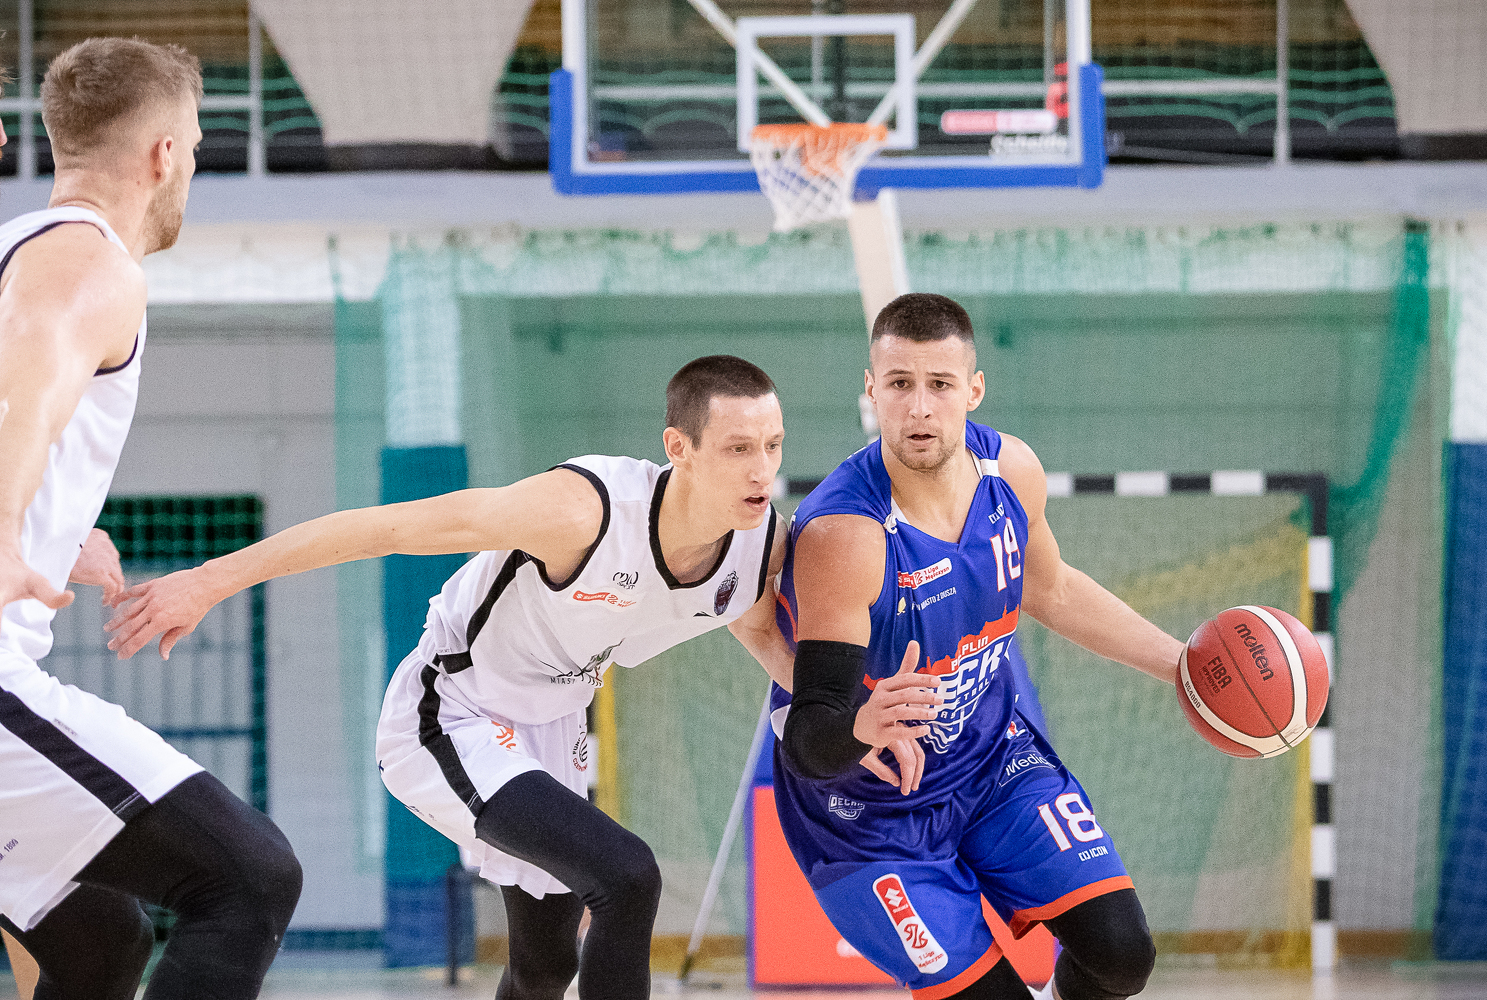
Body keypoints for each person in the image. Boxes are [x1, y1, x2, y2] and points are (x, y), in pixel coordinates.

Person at [110, 355, 916, 1000]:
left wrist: (846, 721)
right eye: (739, 448)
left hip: (554, 728)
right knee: (628, 876)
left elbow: (757, 628)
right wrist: (209, 579)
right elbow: (388, 528)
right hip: (452, 713)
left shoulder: (759, 544)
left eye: (773, 446)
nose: (762, 469)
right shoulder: (582, 511)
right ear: (679, 448)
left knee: (544, 963)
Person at [0, 37, 303, 1000]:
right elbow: (27, 387)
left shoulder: (18, 249)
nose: (193, 168)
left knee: (99, 941)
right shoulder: (89, 261)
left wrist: (53, 532)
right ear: (165, 154)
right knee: (250, 878)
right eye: (199, 148)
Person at [773, 293, 1181, 1000]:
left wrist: (1180, 665)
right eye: (899, 384)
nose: (919, 408)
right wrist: (864, 725)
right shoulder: (845, 535)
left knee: (1121, 956)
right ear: (871, 391)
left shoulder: (1010, 472)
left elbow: (1052, 590)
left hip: (993, 765)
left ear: (974, 389)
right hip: (871, 818)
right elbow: (809, 739)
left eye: (939, 384)